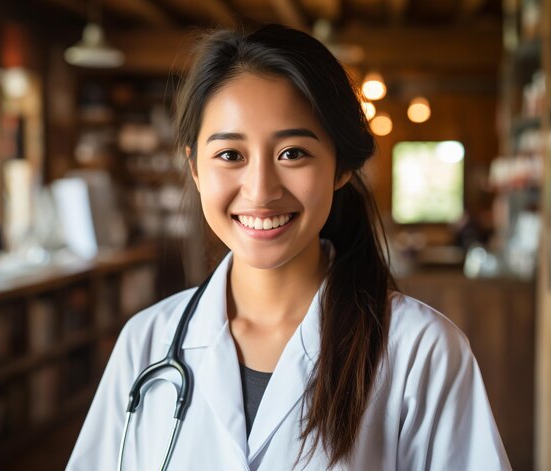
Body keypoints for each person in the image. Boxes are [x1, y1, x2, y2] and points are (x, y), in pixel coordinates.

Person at [67, 24, 511, 470]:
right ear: (195, 168)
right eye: (230, 155)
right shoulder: (146, 343)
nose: (260, 191)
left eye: (293, 153)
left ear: (340, 167)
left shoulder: (421, 351)